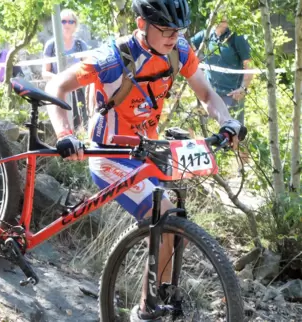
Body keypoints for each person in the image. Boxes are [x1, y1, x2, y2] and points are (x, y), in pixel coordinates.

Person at [44, 0, 246, 321]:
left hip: (145, 151)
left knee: (174, 222)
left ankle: (155, 302)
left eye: (177, 30)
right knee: (165, 215)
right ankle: (146, 311)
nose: (172, 36)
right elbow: (57, 84)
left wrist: (226, 122)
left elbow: (207, 94)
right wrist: (65, 134)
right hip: (109, 154)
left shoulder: (179, 51)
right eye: (165, 30)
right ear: (142, 25)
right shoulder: (113, 58)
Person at [191, 15, 253, 125]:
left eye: (222, 20)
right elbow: (186, 49)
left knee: (232, 132)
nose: (218, 22)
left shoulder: (237, 38)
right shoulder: (206, 35)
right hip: (209, 95)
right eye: (215, 18)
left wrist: (243, 88)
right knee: (204, 131)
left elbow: (249, 66)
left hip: (231, 96)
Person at [42, 9, 89, 130]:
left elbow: (88, 69)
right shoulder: (51, 45)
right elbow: (45, 73)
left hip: (78, 91)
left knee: (82, 126)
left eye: (70, 21)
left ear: (75, 25)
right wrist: (61, 80)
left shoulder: (81, 45)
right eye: (63, 21)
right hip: (58, 91)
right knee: (62, 126)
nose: (67, 25)